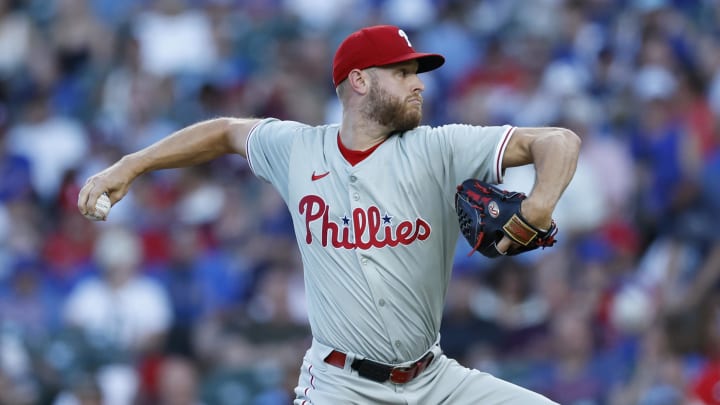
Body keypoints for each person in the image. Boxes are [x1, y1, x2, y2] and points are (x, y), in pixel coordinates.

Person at [78, 25, 580, 404]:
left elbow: (558, 141)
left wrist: (538, 205)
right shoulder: (298, 149)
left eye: (416, 74)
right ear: (359, 80)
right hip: (341, 387)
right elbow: (225, 132)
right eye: (402, 73)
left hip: (435, 381)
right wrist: (132, 164)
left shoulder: (440, 148)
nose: (418, 85)